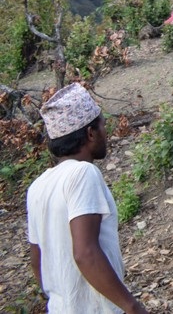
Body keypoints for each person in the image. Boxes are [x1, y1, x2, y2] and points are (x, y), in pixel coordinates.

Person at [26, 83, 150, 314]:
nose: (106, 133)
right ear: (90, 133)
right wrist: (132, 307)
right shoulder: (83, 173)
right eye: (102, 126)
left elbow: (37, 259)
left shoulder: (38, 186)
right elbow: (85, 253)